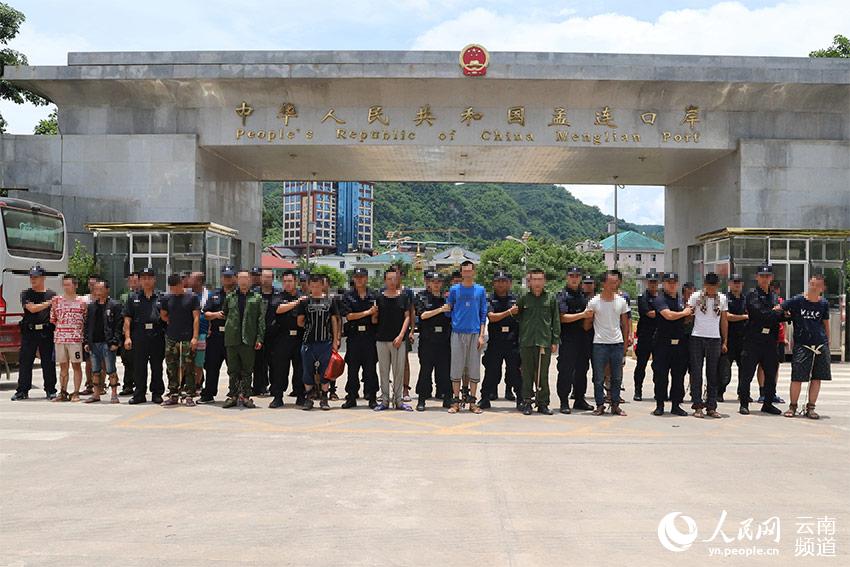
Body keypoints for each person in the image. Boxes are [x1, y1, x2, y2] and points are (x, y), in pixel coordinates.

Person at [737, 265, 785, 415]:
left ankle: (768, 403)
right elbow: (759, 314)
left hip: (770, 341)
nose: (765, 279)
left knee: (771, 374)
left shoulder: (774, 296)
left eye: (768, 276)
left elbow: (783, 314)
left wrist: (779, 314)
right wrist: (776, 313)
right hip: (753, 341)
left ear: (771, 278)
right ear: (757, 277)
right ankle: (744, 403)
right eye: (762, 276)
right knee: (747, 374)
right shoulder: (752, 295)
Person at [511, 268, 560, 415]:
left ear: (544, 281)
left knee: (542, 374)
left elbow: (555, 320)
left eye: (540, 279)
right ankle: (527, 402)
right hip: (527, 341)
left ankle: (543, 403)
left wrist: (555, 340)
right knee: (526, 374)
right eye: (534, 279)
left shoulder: (550, 298)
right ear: (529, 281)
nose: (537, 282)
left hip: (544, 341)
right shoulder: (524, 298)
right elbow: (516, 316)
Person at [781, 274, 831, 419]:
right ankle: (793, 406)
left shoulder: (824, 304)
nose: (813, 287)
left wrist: (827, 343)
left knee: (817, 377)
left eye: (817, 285)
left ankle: (811, 407)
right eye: (811, 284)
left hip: (820, 344)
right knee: (797, 377)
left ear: (823, 288)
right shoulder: (798, 300)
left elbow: (826, 324)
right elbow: (781, 308)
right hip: (802, 344)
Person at [441, 260, 488, 414]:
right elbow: (449, 310)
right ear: (461, 273)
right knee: (456, 366)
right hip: (457, 333)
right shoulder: (454, 290)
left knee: (473, 367)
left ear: (474, 272)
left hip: (475, 333)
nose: (467, 273)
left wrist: (482, 335)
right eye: (464, 271)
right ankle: (456, 401)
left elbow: (483, 314)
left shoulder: (480, 290)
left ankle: (472, 402)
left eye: (470, 270)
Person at [215, 270, 266, 409]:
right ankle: (233, 395)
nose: (243, 281)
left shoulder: (257, 298)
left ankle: (246, 396)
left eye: (246, 279)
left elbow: (261, 320)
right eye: (241, 279)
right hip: (232, 338)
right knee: (232, 369)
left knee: (247, 370)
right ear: (237, 280)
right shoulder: (230, 297)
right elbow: (225, 314)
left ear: (250, 281)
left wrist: (259, 338)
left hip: (248, 339)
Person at [586, 270, 631, 416]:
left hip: (616, 343)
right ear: (604, 284)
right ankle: (600, 405)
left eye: (616, 282)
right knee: (598, 377)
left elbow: (625, 324)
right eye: (611, 282)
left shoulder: (621, 301)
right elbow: (587, 325)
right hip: (599, 343)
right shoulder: (594, 302)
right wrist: (588, 317)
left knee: (617, 377)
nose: (614, 285)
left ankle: (615, 404)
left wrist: (624, 344)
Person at [12, 266, 58, 401]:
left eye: (36, 277)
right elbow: (31, 309)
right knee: (25, 362)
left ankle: (50, 390)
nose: (33, 279)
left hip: (45, 332)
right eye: (31, 277)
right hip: (29, 332)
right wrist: (49, 303)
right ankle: (22, 390)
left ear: (43, 278)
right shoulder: (26, 294)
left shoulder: (51, 294)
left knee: (48, 362)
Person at [296, 273, 341, 411]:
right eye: (313, 286)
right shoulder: (304, 302)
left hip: (325, 343)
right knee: (307, 371)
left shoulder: (330, 301)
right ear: (309, 286)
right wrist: (312, 327)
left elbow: (334, 321)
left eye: (318, 285)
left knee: (325, 372)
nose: (315, 288)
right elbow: (300, 321)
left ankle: (324, 399)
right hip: (308, 343)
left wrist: (335, 340)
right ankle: (309, 399)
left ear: (323, 286)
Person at [686, 273, 727, 418]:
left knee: (712, 373)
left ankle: (711, 406)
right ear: (704, 284)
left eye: (714, 286)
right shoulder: (696, 297)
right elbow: (688, 314)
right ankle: (697, 405)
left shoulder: (721, 298)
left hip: (714, 338)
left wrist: (725, 341)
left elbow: (724, 320)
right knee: (696, 372)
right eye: (709, 285)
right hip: (697, 337)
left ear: (718, 285)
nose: (711, 288)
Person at [652, 272, 693, 417]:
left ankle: (676, 405)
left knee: (678, 376)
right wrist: (685, 313)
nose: (672, 284)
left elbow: (687, 319)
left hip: (680, 343)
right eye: (669, 282)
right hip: (663, 343)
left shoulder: (682, 301)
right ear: (663, 283)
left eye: (674, 281)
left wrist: (688, 314)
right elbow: (668, 315)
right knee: (661, 376)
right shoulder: (660, 299)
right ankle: (660, 405)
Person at [124, 267, 166, 405]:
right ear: (140, 280)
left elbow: (167, 317)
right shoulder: (133, 297)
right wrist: (127, 337)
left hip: (157, 335)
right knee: (139, 366)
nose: (147, 281)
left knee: (157, 366)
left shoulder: (161, 297)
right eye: (144, 278)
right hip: (139, 336)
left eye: (149, 278)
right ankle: (139, 394)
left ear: (154, 280)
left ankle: (157, 393)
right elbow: (127, 319)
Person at [555, 267, 594, 414]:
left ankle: (579, 399)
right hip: (568, 338)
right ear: (567, 277)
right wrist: (583, 315)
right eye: (571, 275)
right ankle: (564, 401)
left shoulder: (583, 295)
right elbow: (562, 318)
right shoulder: (562, 295)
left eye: (577, 276)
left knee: (582, 370)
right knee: (566, 370)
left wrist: (586, 319)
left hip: (583, 337)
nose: (574, 278)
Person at [373, 269, 413, 411]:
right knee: (383, 371)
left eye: (394, 279)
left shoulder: (403, 297)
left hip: (398, 340)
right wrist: (373, 315)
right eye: (389, 279)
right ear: (385, 280)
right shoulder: (379, 297)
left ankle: (399, 401)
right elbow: (375, 319)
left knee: (398, 371)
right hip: (382, 339)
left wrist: (402, 335)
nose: (392, 282)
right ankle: (384, 401)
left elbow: (407, 317)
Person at [480, 271, 521, 409]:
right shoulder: (490, 299)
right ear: (494, 283)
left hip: (512, 342)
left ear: (509, 283)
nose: (501, 284)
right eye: (498, 281)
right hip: (496, 342)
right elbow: (491, 317)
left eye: (504, 281)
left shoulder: (516, 299)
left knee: (515, 372)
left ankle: (520, 399)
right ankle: (485, 397)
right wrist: (509, 312)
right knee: (491, 371)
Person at [159, 273, 200, 407]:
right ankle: (173, 393)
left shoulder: (192, 298)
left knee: (189, 366)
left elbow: (196, 318)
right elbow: (163, 315)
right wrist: (170, 321)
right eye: (171, 287)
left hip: (187, 337)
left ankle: (189, 394)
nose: (174, 290)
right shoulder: (167, 299)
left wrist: (195, 337)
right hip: (172, 336)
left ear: (181, 284)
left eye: (176, 286)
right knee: (171, 366)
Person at [340, 268, 379, 409]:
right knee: (352, 369)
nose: (359, 280)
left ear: (366, 278)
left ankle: (372, 397)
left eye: (362, 277)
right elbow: (349, 316)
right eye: (357, 277)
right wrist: (368, 312)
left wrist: (373, 315)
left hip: (369, 336)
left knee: (370, 369)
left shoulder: (374, 295)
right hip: (354, 337)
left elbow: (376, 318)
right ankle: (351, 397)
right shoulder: (348, 296)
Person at [414, 271, 452, 411]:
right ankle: (422, 399)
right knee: (425, 371)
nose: (436, 284)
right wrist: (441, 310)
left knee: (444, 371)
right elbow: (423, 315)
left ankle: (447, 398)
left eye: (439, 282)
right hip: (428, 340)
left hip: (444, 340)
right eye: (433, 282)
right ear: (429, 283)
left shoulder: (447, 298)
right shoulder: (422, 297)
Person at [198, 265, 236, 404]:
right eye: (225, 276)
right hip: (215, 337)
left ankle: (234, 394)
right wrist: (216, 315)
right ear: (221, 278)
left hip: (232, 337)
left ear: (235, 278)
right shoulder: (214, 295)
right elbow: (206, 313)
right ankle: (208, 394)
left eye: (230, 276)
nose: (227, 279)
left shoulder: (238, 295)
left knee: (233, 368)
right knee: (211, 366)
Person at [268, 270, 306, 408]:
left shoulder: (304, 296)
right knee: (280, 369)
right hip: (282, 338)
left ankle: (300, 396)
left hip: (300, 338)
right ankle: (278, 397)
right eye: (285, 281)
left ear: (295, 282)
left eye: (290, 281)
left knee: (300, 368)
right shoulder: (278, 296)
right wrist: (297, 303)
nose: (287, 284)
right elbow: (278, 309)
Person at [83, 280, 123, 403]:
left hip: (108, 342)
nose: (98, 292)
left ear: (107, 290)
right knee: (95, 370)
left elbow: (118, 325)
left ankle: (114, 394)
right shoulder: (91, 306)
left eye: (100, 289)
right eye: (96, 289)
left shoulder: (114, 305)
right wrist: (86, 341)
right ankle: (96, 394)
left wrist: (116, 342)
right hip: (94, 342)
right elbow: (87, 324)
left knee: (111, 369)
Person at [49, 275, 86, 402]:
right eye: (64, 285)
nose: (66, 287)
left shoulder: (82, 302)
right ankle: (63, 392)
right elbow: (53, 319)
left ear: (75, 285)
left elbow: (85, 319)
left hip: (75, 339)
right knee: (63, 366)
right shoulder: (56, 300)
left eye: (68, 285)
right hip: (60, 338)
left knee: (76, 365)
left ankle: (76, 392)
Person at [718, 274, 747, 402]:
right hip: (728, 339)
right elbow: (726, 316)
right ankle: (719, 392)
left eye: (739, 282)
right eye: (734, 282)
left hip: (743, 339)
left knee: (744, 369)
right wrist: (744, 317)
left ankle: (743, 393)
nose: (737, 284)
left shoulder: (745, 299)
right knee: (724, 369)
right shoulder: (724, 299)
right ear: (729, 284)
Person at [756, 280, 787, 405]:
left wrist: (784, 337)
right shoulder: (763, 300)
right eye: (772, 288)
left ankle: (772, 392)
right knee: (762, 365)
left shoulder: (781, 302)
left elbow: (784, 322)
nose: (774, 291)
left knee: (776, 366)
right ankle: (762, 392)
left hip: (778, 338)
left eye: (775, 289)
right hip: (765, 337)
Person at [633, 271, 660, 401]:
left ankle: (659, 391)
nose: (653, 284)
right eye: (651, 282)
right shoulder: (642, 297)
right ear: (647, 283)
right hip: (645, 335)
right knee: (641, 364)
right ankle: (638, 390)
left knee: (659, 366)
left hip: (659, 335)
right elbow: (649, 313)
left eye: (655, 282)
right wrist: (665, 312)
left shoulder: (661, 297)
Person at [252, 269, 277, 397]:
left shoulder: (278, 295)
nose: (266, 279)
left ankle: (274, 388)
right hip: (258, 334)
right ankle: (258, 387)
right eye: (264, 277)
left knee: (274, 363)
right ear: (261, 278)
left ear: (273, 279)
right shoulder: (254, 294)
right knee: (258, 362)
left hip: (274, 334)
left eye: (269, 277)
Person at [118, 271, 140, 396]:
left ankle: (138, 384)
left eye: (135, 281)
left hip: (138, 332)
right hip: (126, 332)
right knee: (127, 360)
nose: (133, 283)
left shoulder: (142, 295)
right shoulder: (124, 296)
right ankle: (128, 385)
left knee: (139, 361)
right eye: (131, 281)